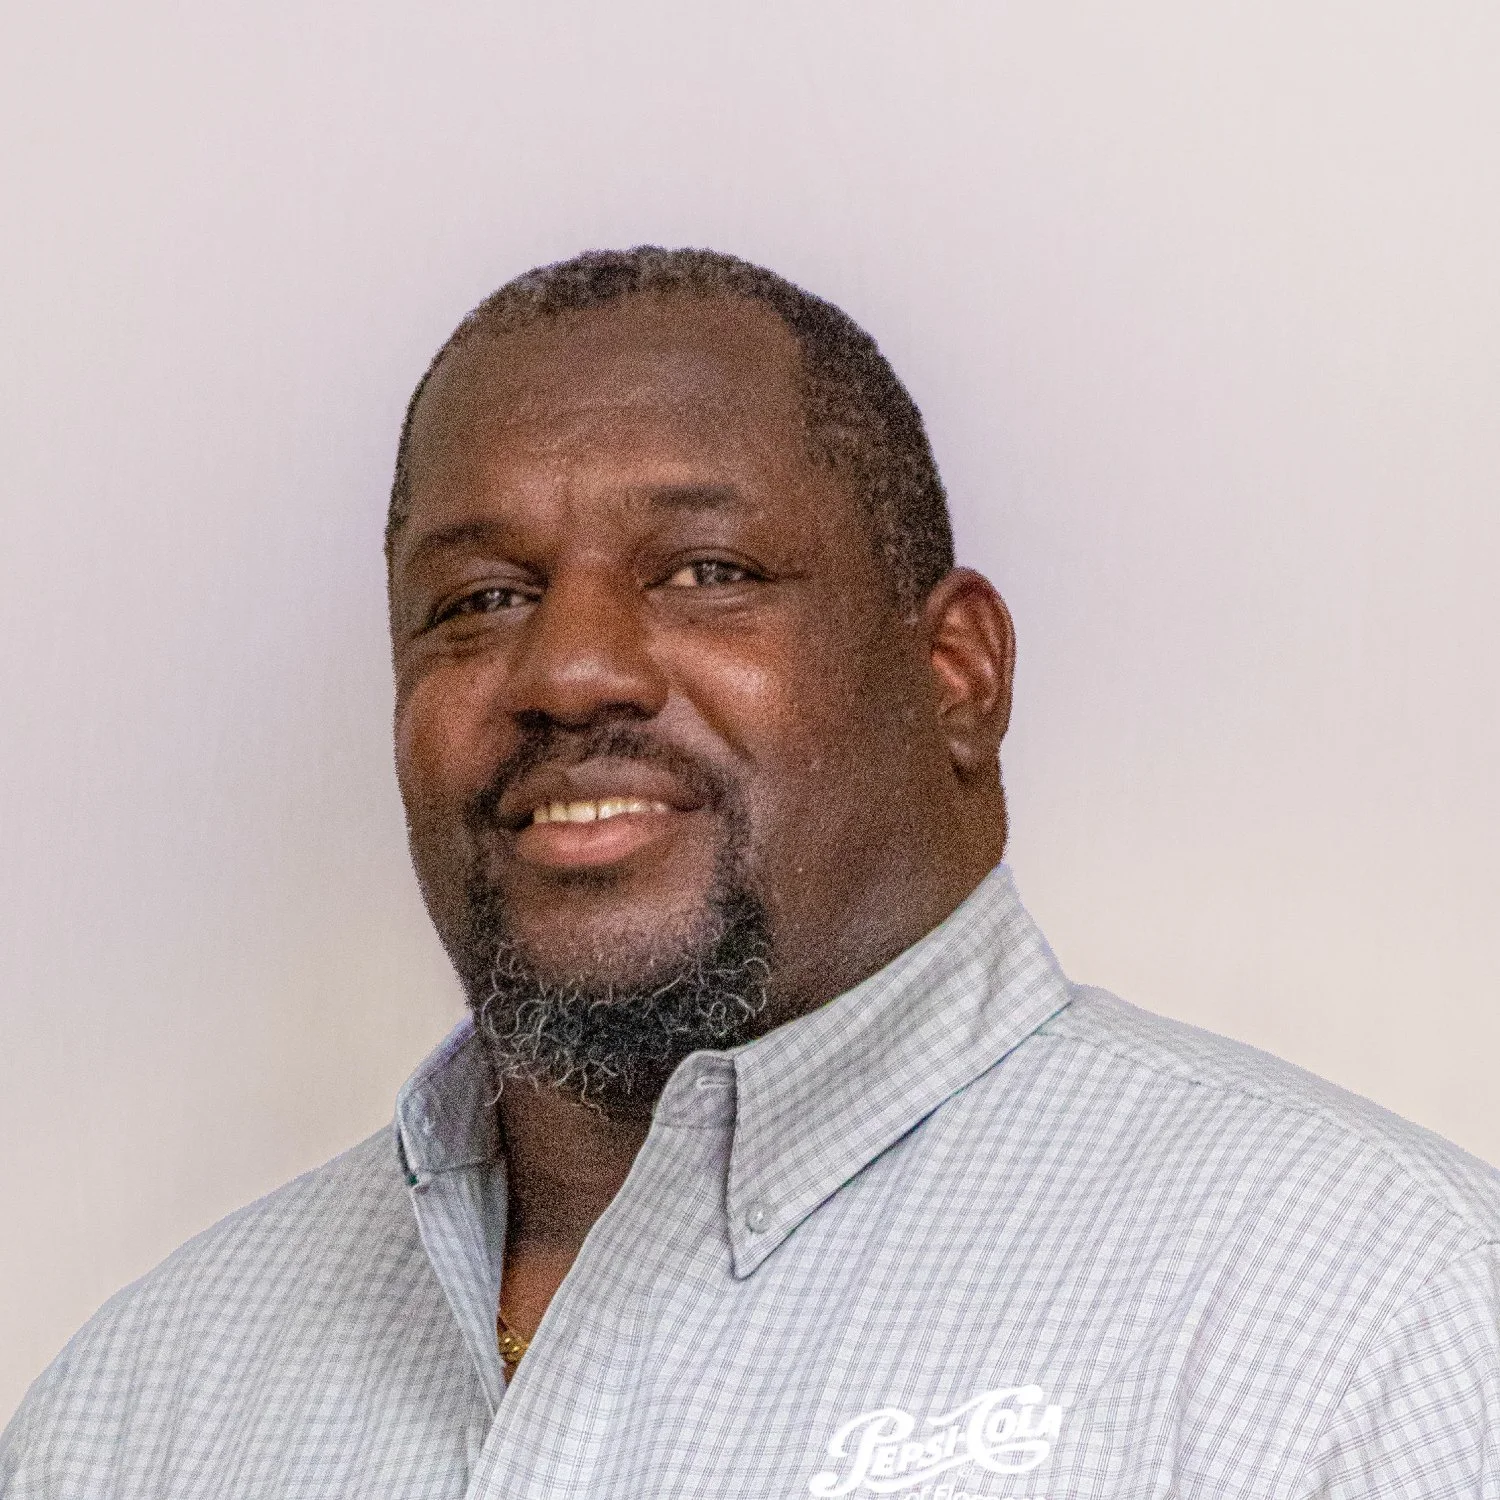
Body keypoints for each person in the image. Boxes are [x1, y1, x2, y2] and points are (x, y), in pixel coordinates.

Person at [3, 246, 1498, 1500]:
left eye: (705, 573)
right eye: (483, 598)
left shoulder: (1376, 1319)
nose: (569, 670)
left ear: (955, 674)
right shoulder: (141, 1414)